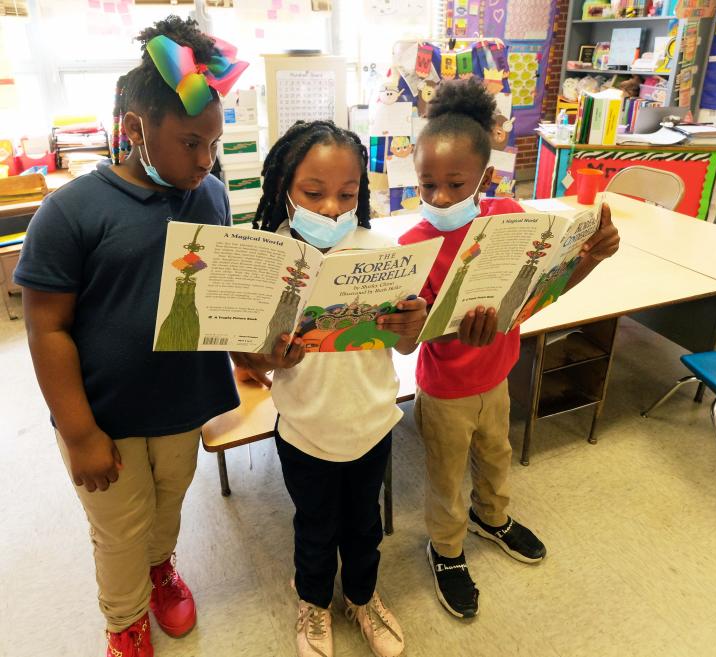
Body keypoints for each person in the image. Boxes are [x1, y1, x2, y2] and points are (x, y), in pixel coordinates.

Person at [14, 16, 254, 657]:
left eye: (214, 144)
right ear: (133, 130)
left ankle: (161, 568)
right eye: (190, 143)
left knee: (168, 501)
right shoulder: (69, 212)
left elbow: (216, 293)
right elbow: (46, 326)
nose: (206, 161)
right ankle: (124, 620)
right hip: (105, 417)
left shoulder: (208, 194)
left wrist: (248, 349)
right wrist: (80, 434)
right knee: (118, 526)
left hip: (180, 403)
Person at [398, 78, 620, 619]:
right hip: (445, 389)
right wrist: (432, 326)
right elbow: (406, 345)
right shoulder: (413, 247)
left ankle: (492, 519)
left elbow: (535, 298)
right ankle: (446, 549)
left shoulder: (509, 218)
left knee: (497, 455)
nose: (440, 198)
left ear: (484, 177)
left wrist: (591, 257)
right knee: (446, 475)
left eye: (455, 183)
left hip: (496, 376)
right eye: (427, 184)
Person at [235, 120, 425, 657]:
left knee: (364, 527)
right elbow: (245, 355)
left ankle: (361, 598)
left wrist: (413, 326)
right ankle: (314, 603)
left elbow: (405, 346)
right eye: (312, 194)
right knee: (315, 527)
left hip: (371, 424)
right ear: (284, 191)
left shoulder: (381, 250)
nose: (330, 210)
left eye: (346, 194)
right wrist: (266, 356)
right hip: (303, 431)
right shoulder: (268, 258)